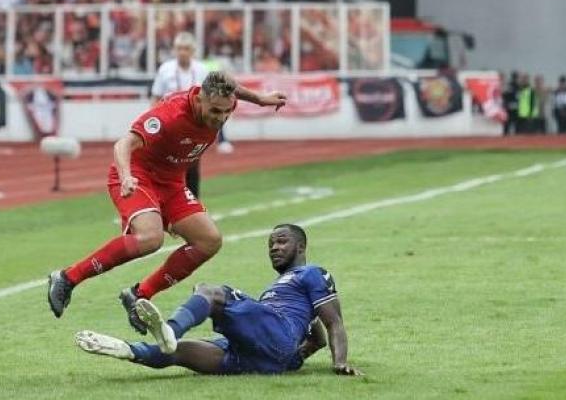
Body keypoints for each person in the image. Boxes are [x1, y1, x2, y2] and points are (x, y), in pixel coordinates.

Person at [48, 72, 287, 335]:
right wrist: (127, 177)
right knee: (150, 239)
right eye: (215, 111)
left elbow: (234, 89)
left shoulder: (223, 99)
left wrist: (261, 99)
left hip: (172, 183)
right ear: (199, 99)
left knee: (209, 240)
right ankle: (67, 278)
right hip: (138, 176)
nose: (221, 118)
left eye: (226, 112)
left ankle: (139, 295)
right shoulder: (169, 115)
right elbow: (123, 144)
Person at [75, 224, 362, 377]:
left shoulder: (312, 273)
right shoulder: (280, 290)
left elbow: (333, 322)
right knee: (179, 352)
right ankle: (127, 349)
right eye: (271, 244)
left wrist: (340, 362)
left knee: (211, 292)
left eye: (282, 241)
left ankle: (170, 330)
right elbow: (318, 338)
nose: (274, 247)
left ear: (301, 246)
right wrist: (291, 359)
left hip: (277, 334)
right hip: (265, 356)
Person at [150, 32, 230, 198]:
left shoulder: (201, 69)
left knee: (191, 167)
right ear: (174, 50)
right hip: (170, 125)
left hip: (193, 125)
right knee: (167, 167)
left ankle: (192, 205)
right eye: (179, 48)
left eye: (186, 49)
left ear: (192, 51)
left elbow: (211, 97)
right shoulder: (165, 69)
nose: (182, 52)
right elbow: (156, 97)